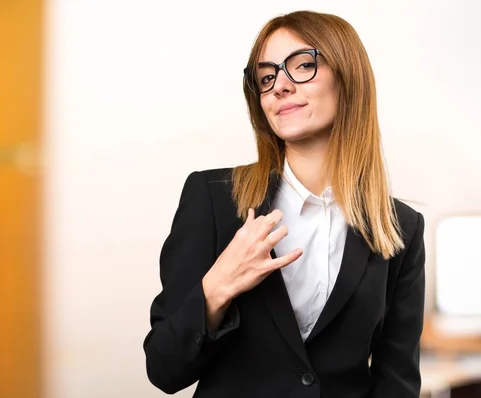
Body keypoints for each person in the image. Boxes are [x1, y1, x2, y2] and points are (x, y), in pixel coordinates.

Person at [143, 10, 426, 398]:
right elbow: (163, 368)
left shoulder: (401, 227)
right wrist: (218, 285)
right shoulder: (212, 198)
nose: (279, 87)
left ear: (349, 77)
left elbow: (397, 381)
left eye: (303, 66)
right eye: (266, 77)